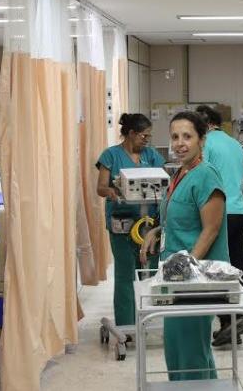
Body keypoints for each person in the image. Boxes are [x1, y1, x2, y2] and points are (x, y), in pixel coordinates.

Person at [141, 111, 229, 381]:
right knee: (178, 348)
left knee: (190, 350)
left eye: (187, 136)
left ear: (202, 139)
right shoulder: (181, 172)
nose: (180, 143)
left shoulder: (205, 175)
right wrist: (156, 231)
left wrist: (185, 271)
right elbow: (179, 217)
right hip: (176, 277)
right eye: (175, 137)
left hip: (195, 279)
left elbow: (211, 229)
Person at [96, 113, 165, 326]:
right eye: (143, 136)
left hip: (149, 225)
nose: (146, 140)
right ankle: (126, 325)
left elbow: (162, 183)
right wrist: (113, 192)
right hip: (123, 223)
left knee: (151, 272)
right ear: (131, 133)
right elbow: (100, 188)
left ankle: (151, 319)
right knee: (126, 274)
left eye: (148, 137)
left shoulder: (151, 156)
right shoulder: (111, 156)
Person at [194, 105, 243, 348]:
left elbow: (201, 176)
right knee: (235, 268)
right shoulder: (235, 144)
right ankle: (232, 322)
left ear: (203, 126)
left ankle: (231, 321)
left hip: (220, 212)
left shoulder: (206, 145)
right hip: (239, 211)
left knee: (215, 269)